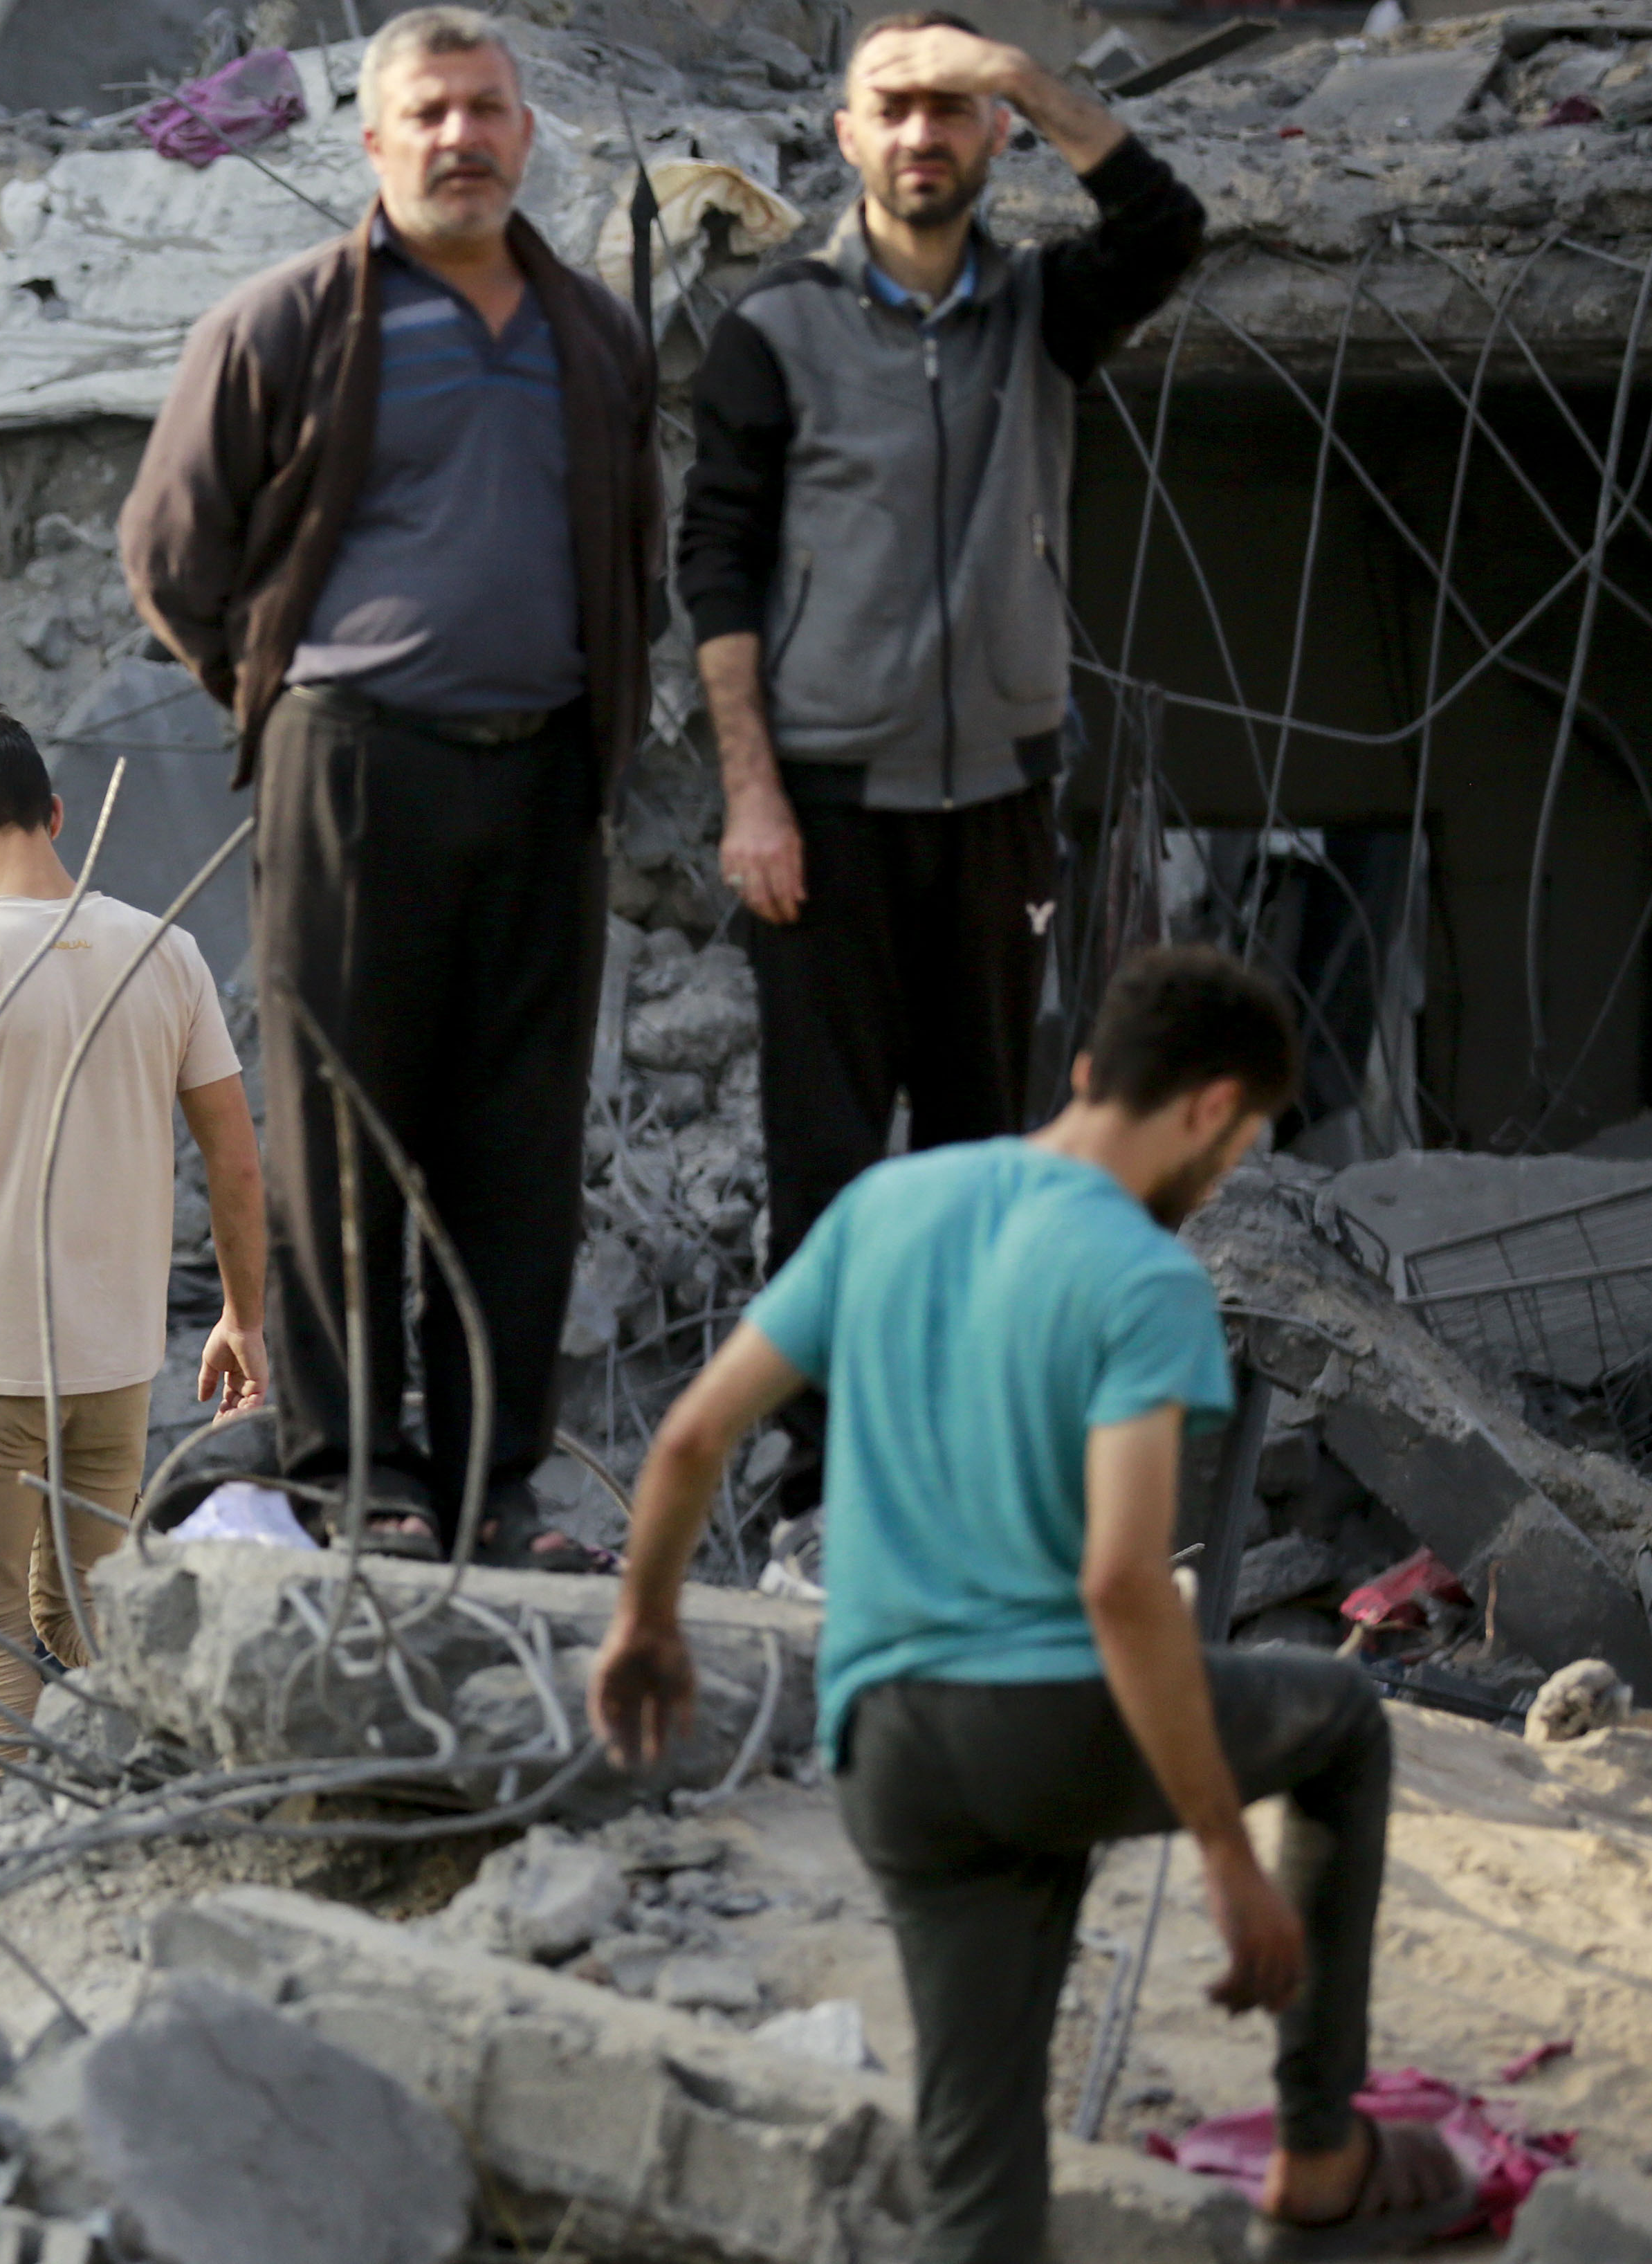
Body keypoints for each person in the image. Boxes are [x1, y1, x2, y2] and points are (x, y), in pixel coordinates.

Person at [589, 949, 1471, 2262]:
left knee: (976, 2180)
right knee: (1339, 1717)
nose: (1222, 1176)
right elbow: (1121, 1583)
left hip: (883, 1747)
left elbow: (686, 1441)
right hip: (1040, 1724)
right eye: (1235, 1146)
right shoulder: (1144, 1277)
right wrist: (1226, 1857)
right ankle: (1320, 2154)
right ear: (1206, 1108)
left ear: (1082, 1073)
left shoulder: (884, 1203)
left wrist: (642, 1623)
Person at [120, 5, 661, 1562]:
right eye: (427, 113)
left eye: (486, 109)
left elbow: (633, 550)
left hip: (547, 775)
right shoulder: (288, 321)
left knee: (516, 1142)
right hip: (352, 769)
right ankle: (357, 1474)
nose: (460, 137)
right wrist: (281, 695)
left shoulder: (595, 337)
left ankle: (490, 1485)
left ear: (525, 133)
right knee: (347, 1127)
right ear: (370, 140)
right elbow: (171, 548)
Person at [674, 14, 1205, 1522]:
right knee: (830, 1159)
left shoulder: (1042, 313)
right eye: (893, 108)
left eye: (954, 113)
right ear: (846, 137)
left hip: (998, 807)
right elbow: (715, 567)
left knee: (982, 1145)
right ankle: (825, 1474)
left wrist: (1023, 71)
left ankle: (960, 1462)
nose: (923, 134)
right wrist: (752, 795)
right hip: (825, 809)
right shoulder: (774, 330)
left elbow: (1167, 224)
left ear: (993, 141)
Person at [0, 704, 268, 1746]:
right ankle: (141, 1807)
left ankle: (22, 1845)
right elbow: (236, 1158)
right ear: (55, 813)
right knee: (87, 1616)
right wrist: (244, 1317)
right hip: (115, 1365)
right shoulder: (166, 953)